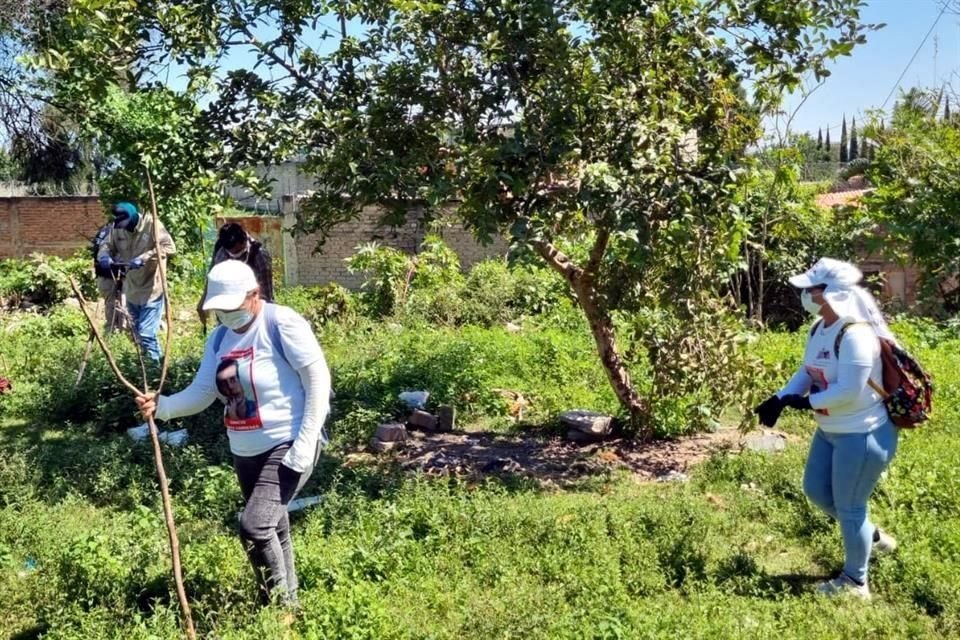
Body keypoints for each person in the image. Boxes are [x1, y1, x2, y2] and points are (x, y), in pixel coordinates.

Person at [135, 260, 331, 607]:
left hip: (286, 442)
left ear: (254, 295)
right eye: (219, 309)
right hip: (244, 448)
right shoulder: (220, 337)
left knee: (254, 527)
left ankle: (276, 607)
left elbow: (318, 381)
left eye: (231, 307)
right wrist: (162, 406)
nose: (225, 315)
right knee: (275, 527)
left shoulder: (281, 323)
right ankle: (291, 604)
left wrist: (304, 444)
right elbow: (203, 392)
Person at [754, 257, 899, 600]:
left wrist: (804, 404)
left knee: (849, 507)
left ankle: (855, 582)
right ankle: (870, 535)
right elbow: (807, 372)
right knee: (816, 490)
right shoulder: (820, 328)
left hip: (861, 435)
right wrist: (780, 397)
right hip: (831, 430)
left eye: (810, 289)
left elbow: (849, 390)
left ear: (830, 293)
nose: (805, 295)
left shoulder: (857, 335)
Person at [96, 202, 176, 362]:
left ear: (133, 218)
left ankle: (157, 369)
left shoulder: (153, 225)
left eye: (126, 224)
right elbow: (106, 245)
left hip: (151, 289)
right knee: (136, 336)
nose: (124, 228)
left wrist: (145, 257)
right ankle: (145, 367)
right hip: (131, 288)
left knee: (147, 333)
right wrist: (104, 256)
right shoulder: (117, 228)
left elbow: (170, 248)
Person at [198, 222, 274, 326]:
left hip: (251, 311)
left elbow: (267, 295)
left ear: (244, 241)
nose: (235, 256)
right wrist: (204, 301)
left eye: (238, 251)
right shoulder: (222, 255)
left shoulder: (259, 256)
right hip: (227, 309)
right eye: (232, 253)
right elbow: (216, 283)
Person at [92, 221, 128, 333]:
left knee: (119, 303)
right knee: (116, 304)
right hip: (108, 274)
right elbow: (104, 251)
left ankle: (120, 331)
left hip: (113, 274)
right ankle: (114, 332)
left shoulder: (106, 228)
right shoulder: (112, 232)